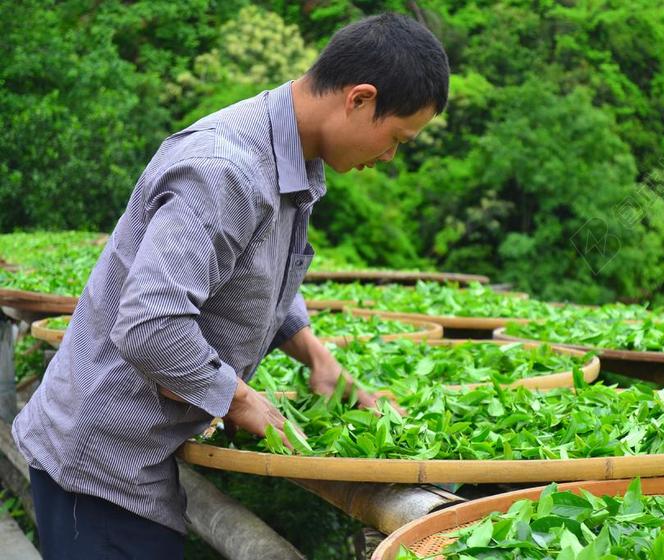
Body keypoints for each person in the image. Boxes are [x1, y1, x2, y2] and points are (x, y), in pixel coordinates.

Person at [13, 12, 449, 559]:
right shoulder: (226, 168)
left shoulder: (289, 154)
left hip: (138, 455)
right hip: (101, 461)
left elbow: (256, 270)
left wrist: (314, 354)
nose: (389, 157)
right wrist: (240, 398)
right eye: (397, 139)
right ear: (359, 99)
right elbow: (152, 325)